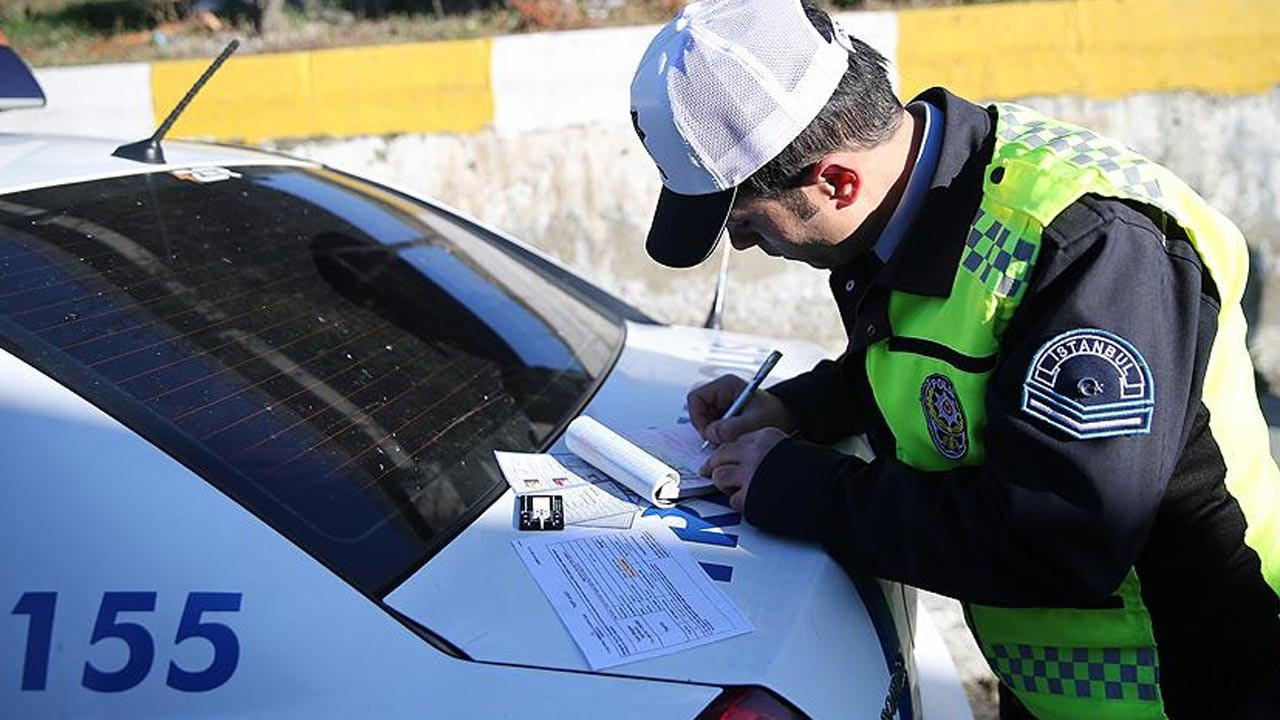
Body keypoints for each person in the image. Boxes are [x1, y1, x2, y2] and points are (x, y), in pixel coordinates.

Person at [628, 0, 1280, 718]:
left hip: (1191, 684)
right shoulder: (923, 190)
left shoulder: (1088, 250)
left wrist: (803, 486)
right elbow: (941, 360)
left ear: (836, 181)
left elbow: (1063, 536)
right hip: (1056, 685)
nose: (745, 247)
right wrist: (799, 405)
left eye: (747, 223)